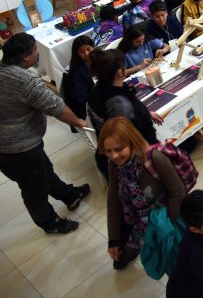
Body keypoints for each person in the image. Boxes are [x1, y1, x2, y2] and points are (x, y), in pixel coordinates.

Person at [0, 33, 90, 234]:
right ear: (25, 56)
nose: (37, 53)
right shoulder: (24, 79)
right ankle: (50, 223)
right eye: (34, 50)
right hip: (16, 148)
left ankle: (69, 195)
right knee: (33, 188)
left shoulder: (4, 70)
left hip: (17, 143)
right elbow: (55, 106)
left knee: (43, 171)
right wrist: (79, 122)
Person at [99, 117, 186, 270]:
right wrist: (113, 239)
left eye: (119, 149)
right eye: (108, 151)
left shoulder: (154, 158)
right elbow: (113, 200)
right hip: (143, 225)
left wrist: (166, 228)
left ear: (132, 142)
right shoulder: (113, 165)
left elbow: (178, 193)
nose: (114, 156)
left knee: (178, 263)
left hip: (169, 222)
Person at [62, 36, 95, 125]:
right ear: (77, 54)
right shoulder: (77, 72)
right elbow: (82, 98)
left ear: (94, 47)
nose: (87, 54)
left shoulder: (99, 61)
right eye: (82, 52)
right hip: (87, 109)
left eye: (89, 49)